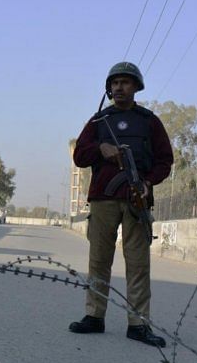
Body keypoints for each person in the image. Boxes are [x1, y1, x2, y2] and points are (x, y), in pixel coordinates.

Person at [70, 62, 174, 347]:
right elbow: (79, 155)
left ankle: (138, 323)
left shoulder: (149, 121)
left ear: (136, 87)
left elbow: (165, 161)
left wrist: (148, 181)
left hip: (136, 199)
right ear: (109, 88)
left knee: (138, 264)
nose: (119, 87)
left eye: (125, 82)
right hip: (103, 199)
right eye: (115, 83)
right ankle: (94, 316)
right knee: (99, 260)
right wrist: (100, 149)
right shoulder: (98, 121)